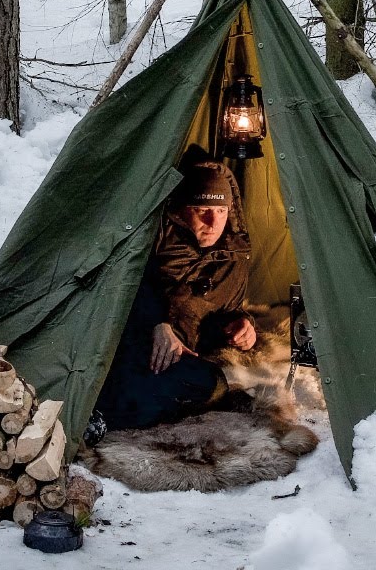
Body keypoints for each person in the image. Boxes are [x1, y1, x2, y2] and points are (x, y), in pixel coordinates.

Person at [91, 152, 258, 435]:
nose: (212, 221)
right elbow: (125, 283)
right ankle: (103, 415)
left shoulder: (233, 255)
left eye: (221, 211)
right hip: (134, 343)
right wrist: (158, 323)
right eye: (200, 209)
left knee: (208, 382)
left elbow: (214, 314)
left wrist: (242, 325)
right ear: (180, 210)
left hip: (180, 355)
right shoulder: (154, 242)